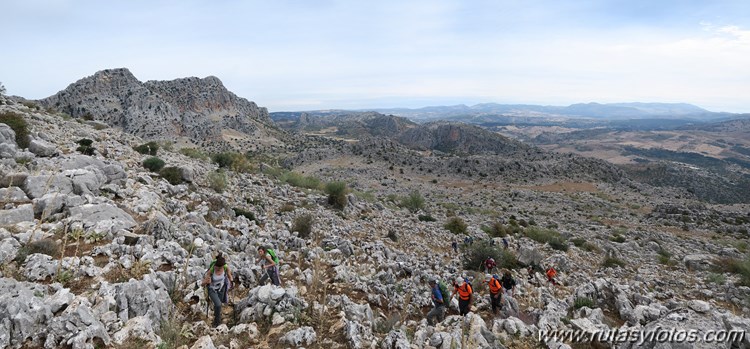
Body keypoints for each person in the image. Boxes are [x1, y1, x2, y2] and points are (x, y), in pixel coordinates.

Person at [201, 253, 233, 327]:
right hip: (212, 289)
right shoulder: (212, 269)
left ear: (223, 266)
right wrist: (207, 281)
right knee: (218, 304)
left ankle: (217, 315)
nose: (218, 269)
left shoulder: (225, 267)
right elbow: (205, 280)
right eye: (217, 267)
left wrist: (231, 280)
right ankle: (217, 322)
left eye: (220, 268)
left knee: (219, 304)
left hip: (222, 288)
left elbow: (229, 274)